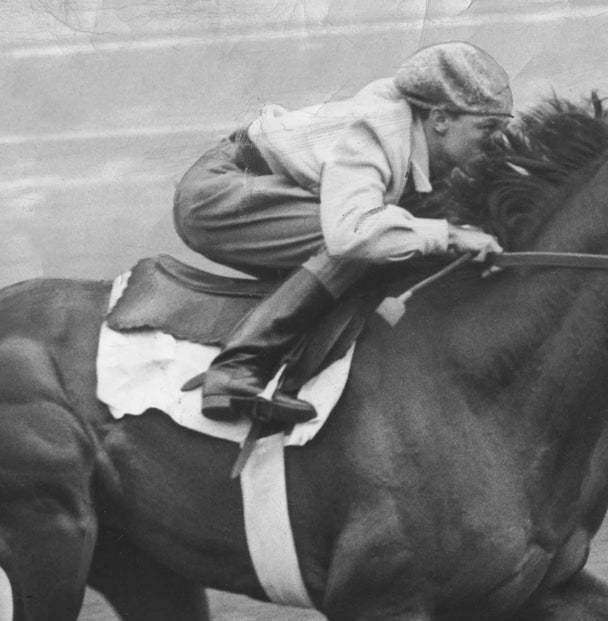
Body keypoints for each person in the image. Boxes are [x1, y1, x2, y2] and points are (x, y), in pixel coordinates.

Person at [173, 41, 512, 426]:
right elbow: (352, 233)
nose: (496, 141)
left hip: (258, 188)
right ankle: (235, 369)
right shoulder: (377, 130)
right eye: (488, 128)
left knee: (394, 237)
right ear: (439, 118)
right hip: (221, 193)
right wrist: (449, 236)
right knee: (360, 240)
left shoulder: (421, 143)